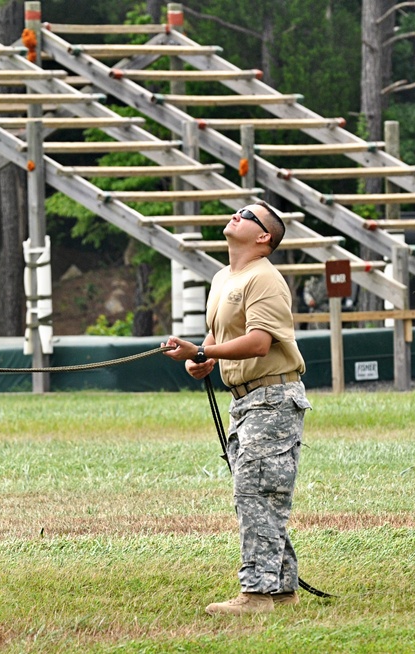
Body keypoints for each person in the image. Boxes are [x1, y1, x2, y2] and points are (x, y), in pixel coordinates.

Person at [162, 199, 311, 616]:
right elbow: (221, 339)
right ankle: (280, 589)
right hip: (244, 400)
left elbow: (261, 342)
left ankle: (257, 596)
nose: (237, 215)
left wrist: (205, 348)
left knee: (256, 493)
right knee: (259, 494)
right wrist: (204, 360)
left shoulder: (265, 279)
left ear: (263, 237)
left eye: (249, 215)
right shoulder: (222, 277)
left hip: (272, 399)